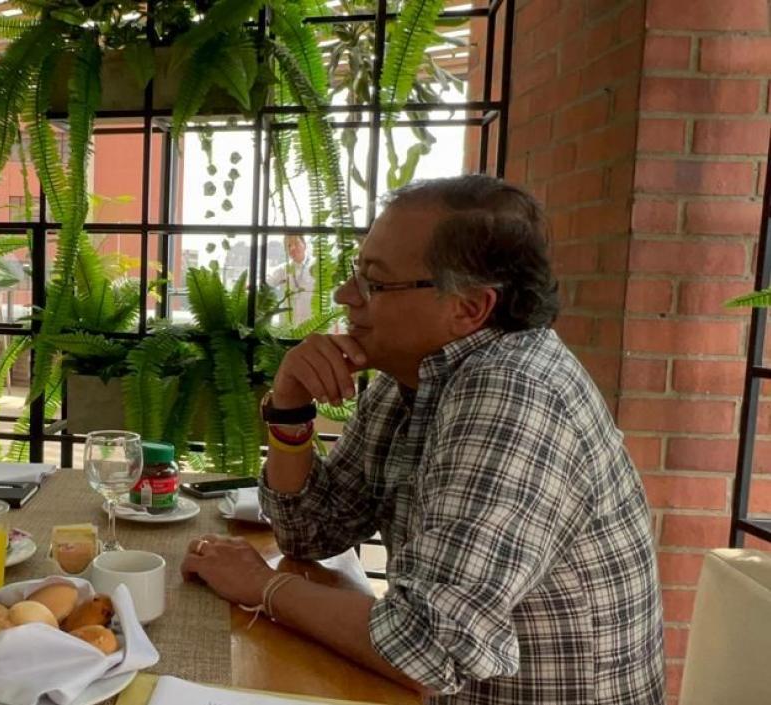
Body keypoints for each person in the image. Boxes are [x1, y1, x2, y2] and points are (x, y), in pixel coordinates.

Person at [181, 175, 665, 703]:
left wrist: (261, 586)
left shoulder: (514, 395)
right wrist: (290, 407)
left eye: (374, 282)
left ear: (469, 308)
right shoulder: (406, 382)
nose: (345, 296)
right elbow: (309, 533)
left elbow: (425, 648)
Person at [267, 234, 315, 325]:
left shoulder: (317, 266)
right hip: (290, 324)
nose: (292, 248)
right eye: (288, 246)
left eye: (296, 243)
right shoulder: (283, 269)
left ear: (304, 245)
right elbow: (267, 281)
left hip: (313, 323)